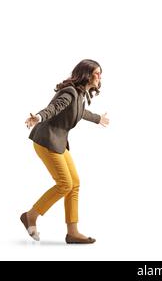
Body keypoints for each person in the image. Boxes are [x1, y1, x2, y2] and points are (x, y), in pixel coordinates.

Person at [21, 59, 109, 244]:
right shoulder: (70, 92)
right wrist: (38, 117)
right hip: (47, 141)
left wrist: (97, 118)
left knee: (74, 183)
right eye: (96, 73)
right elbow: (54, 108)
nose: (99, 76)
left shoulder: (80, 94)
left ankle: (72, 232)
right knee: (65, 184)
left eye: (100, 73)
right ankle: (31, 215)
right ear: (86, 74)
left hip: (58, 142)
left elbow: (80, 112)